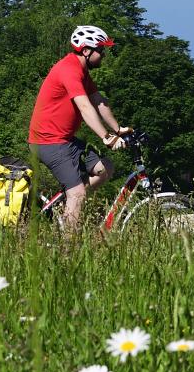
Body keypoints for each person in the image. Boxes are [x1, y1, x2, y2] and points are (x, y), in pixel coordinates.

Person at [29, 25, 132, 231]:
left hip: (65, 140)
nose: (103, 55)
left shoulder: (83, 71)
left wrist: (118, 129)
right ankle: (69, 250)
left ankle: (66, 206)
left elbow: (98, 101)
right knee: (77, 193)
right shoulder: (69, 69)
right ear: (86, 50)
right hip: (49, 143)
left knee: (105, 168)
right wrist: (105, 136)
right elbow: (84, 106)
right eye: (100, 50)